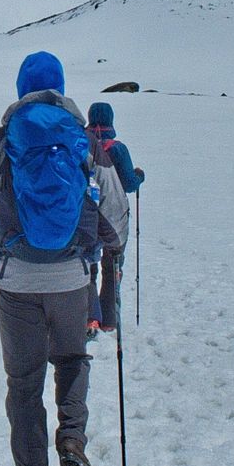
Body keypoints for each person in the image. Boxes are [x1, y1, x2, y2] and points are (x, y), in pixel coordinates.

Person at [0, 51, 129, 466]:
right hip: (73, 277)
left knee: (24, 379)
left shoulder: (1, 140)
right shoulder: (85, 143)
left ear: (20, 88)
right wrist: (101, 246)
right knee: (71, 360)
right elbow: (116, 214)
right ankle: (72, 440)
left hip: (16, 278)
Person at [85, 102, 144, 335]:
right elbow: (129, 183)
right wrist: (139, 176)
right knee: (112, 265)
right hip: (113, 217)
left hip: (87, 216)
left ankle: (90, 318)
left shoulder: (83, 144)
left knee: (88, 264)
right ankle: (109, 318)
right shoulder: (117, 149)